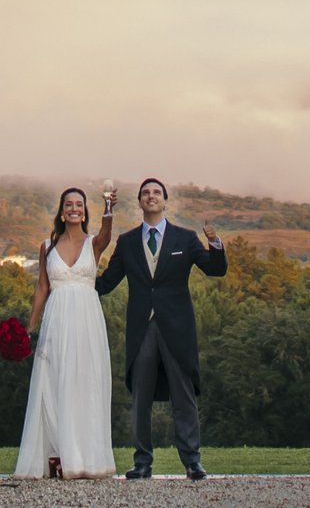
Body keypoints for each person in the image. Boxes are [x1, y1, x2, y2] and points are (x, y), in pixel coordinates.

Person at [95, 177, 226, 479]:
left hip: (177, 328)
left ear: (165, 201)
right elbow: (106, 282)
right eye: (145, 193)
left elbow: (215, 269)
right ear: (140, 202)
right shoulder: (127, 243)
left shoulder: (185, 238)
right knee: (141, 397)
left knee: (184, 395)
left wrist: (215, 243)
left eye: (156, 192)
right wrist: (74, 281)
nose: (151, 196)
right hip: (142, 328)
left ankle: (192, 461)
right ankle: (142, 462)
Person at [13, 186, 117, 479]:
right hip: (57, 318)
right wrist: (30, 327)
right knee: (54, 381)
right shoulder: (47, 245)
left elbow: (107, 235)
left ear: (85, 211)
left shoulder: (93, 243)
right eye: (69, 204)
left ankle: (86, 455)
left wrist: (108, 207)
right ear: (61, 211)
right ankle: (56, 453)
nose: (74, 208)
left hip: (86, 320)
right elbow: (42, 287)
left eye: (79, 205)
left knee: (85, 382)